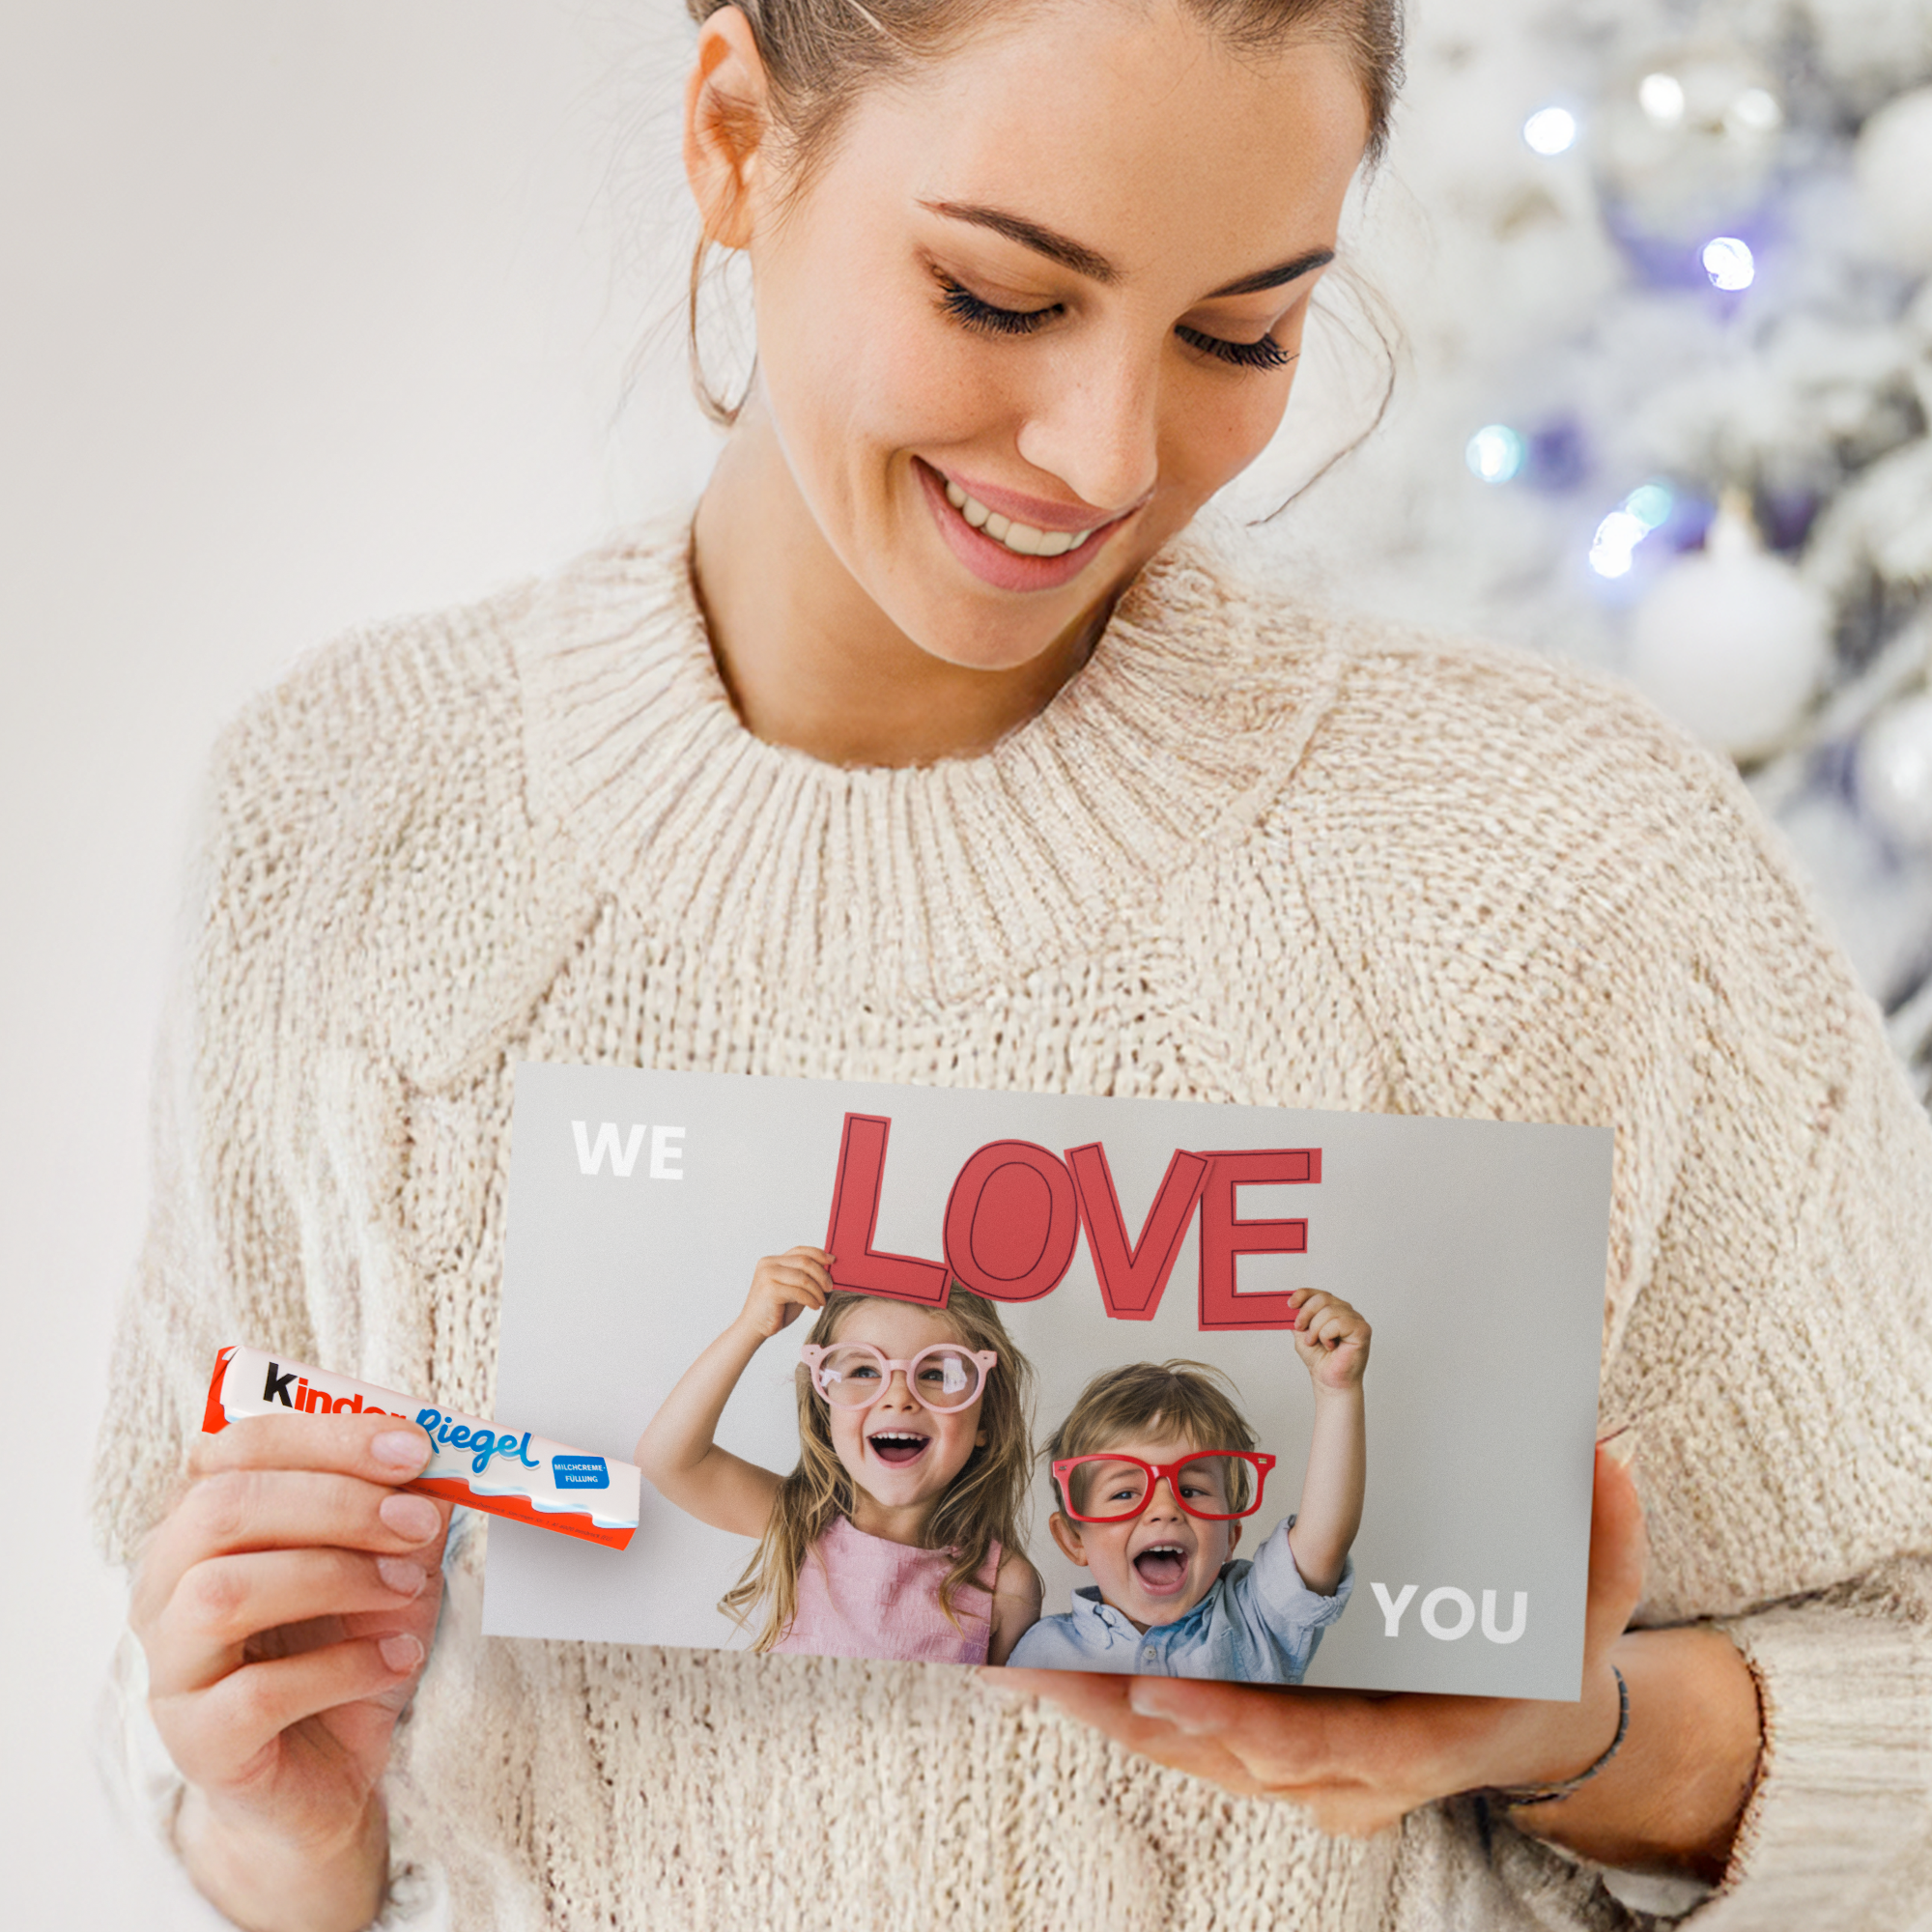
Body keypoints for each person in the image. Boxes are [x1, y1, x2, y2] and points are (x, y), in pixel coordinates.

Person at [90, 0, 1932, 1924]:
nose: (1103, 452)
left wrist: (1587, 1737)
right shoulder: (339, 813)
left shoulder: (1558, 864)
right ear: (734, 136)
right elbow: (189, 1707)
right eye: (998, 297)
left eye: (1239, 334)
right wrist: (278, 1825)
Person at [635, 1249, 1043, 1662]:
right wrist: (751, 1327)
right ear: (824, 1411)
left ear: (986, 1418)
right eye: (864, 1371)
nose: (898, 1397)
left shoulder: (1007, 1586)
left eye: (936, 1374)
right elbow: (665, 1459)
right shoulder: (800, 1524)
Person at [1010, 1297, 1367, 1681]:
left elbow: (1324, 1540)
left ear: (1231, 1535)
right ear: (1073, 1539)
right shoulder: (1040, 1653)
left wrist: (1337, 1391)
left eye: (1192, 1489)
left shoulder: (1257, 1620)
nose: (1165, 1509)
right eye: (1125, 1493)